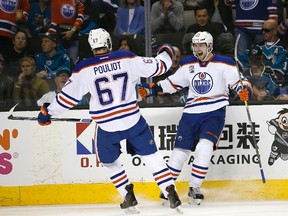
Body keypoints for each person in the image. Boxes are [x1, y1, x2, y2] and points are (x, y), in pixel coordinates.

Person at [37, 28, 182, 213]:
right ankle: (170, 191)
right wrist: (167, 52)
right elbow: (159, 66)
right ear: (108, 43)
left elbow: (67, 99)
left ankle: (127, 194)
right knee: (152, 157)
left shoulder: (84, 67)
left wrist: (48, 112)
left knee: (109, 162)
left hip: (106, 126)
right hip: (132, 120)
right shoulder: (125, 57)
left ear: (92, 46)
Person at [138, 31, 252, 205]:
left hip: (214, 112)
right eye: (195, 45)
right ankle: (167, 188)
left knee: (204, 148)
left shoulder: (224, 63)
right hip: (190, 113)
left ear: (209, 46)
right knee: (178, 154)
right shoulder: (188, 63)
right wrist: (152, 88)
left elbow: (239, 83)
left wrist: (245, 91)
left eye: (201, 45)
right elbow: (172, 83)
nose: (198, 49)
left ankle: (195, 187)